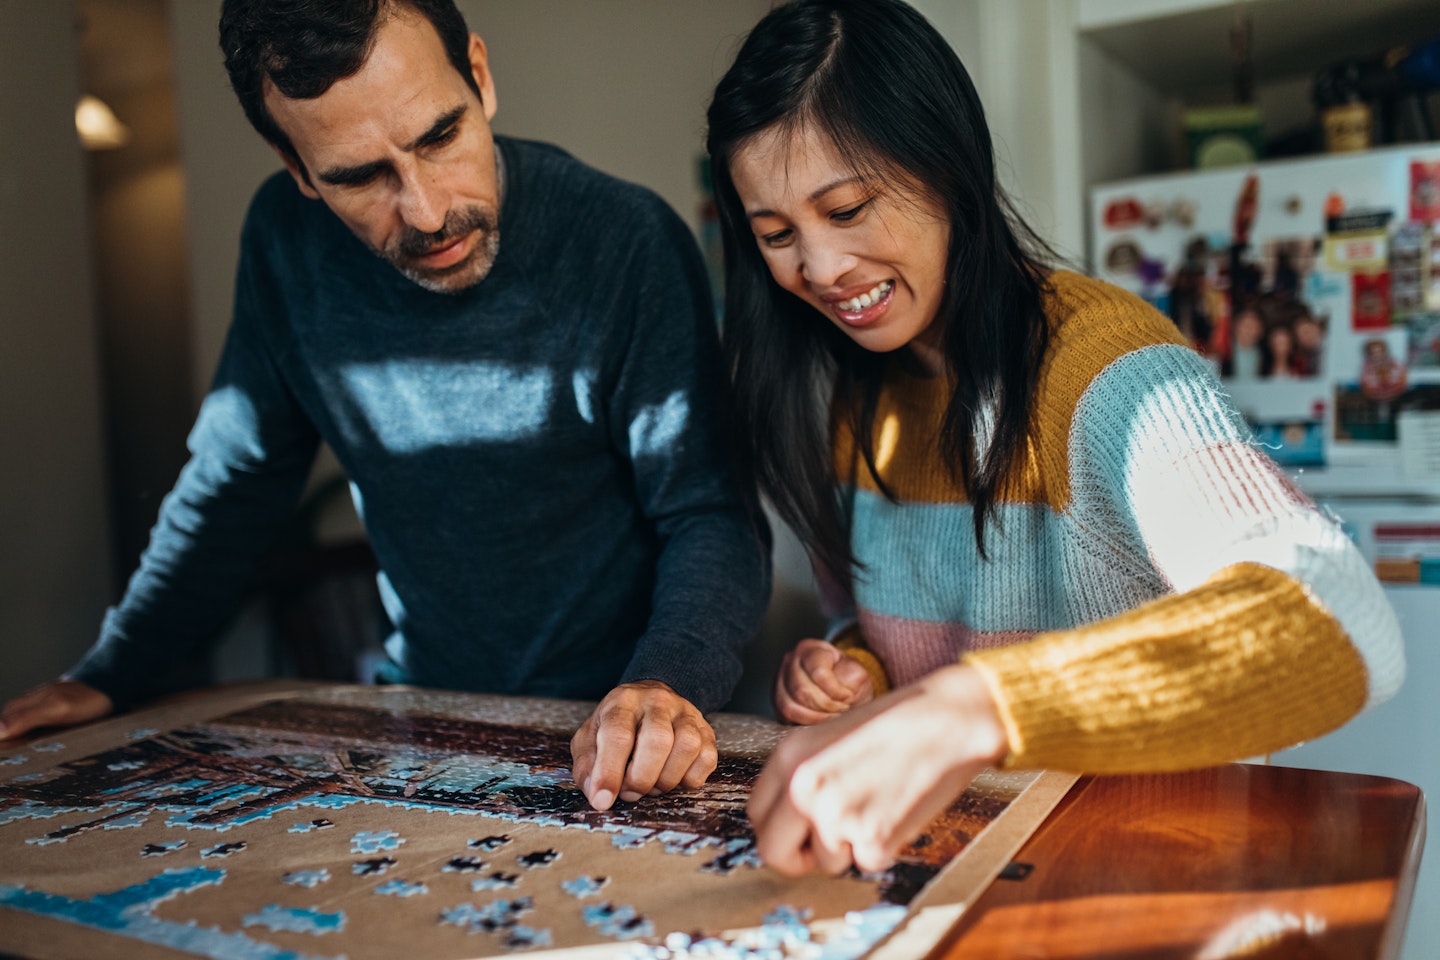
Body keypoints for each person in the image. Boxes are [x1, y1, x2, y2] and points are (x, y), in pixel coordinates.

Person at [0, 0, 772, 813]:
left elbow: (710, 513)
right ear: (294, 167)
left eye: (441, 137)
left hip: (624, 728)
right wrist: (113, 671)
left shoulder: (627, 239)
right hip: (425, 714)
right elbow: (235, 484)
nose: (429, 212)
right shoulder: (282, 243)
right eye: (360, 176)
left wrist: (665, 679)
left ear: (479, 73)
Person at [705, 0, 1403, 877]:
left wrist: (974, 707)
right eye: (776, 235)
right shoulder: (860, 397)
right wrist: (855, 673)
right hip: (975, 873)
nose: (818, 268)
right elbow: (884, 626)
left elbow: (1337, 616)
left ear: (946, 166)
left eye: (845, 209)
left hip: (1166, 878)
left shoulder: (1104, 365)